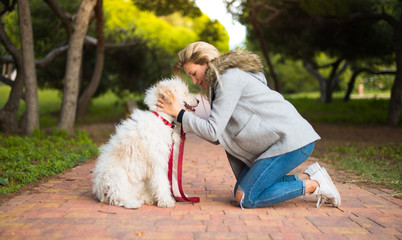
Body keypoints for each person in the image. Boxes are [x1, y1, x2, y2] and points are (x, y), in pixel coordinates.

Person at [157, 41, 341, 209]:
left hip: (292, 141)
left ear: (206, 61)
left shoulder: (228, 79)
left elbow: (213, 132)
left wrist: (179, 114)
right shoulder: (220, 83)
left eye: (194, 74)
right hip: (281, 142)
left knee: (246, 197)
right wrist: (183, 118)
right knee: (241, 187)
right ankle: (310, 176)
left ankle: (314, 185)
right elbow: (218, 135)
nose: (195, 81)